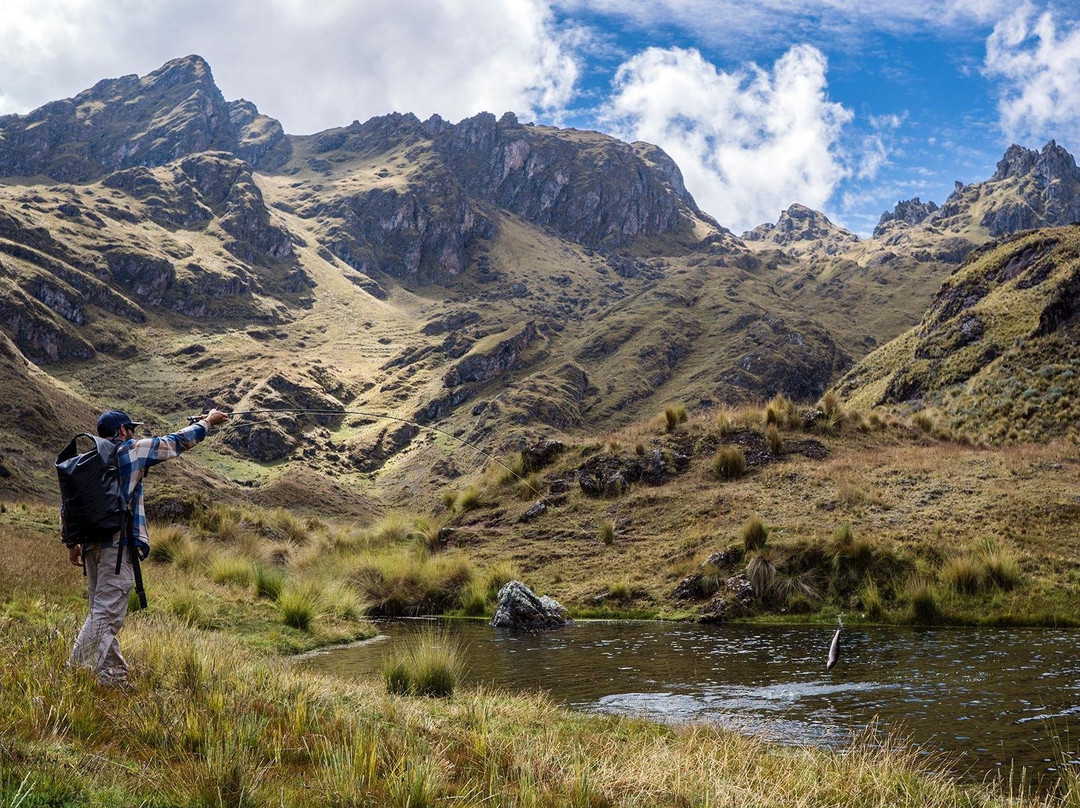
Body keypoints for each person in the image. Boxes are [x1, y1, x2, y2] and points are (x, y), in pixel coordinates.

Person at [64, 408, 229, 686]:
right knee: (107, 613)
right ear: (121, 431)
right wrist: (207, 422)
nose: (133, 434)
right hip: (117, 546)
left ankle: (113, 678)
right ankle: (76, 672)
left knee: (100, 610)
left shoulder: (86, 461)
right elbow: (174, 442)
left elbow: (67, 503)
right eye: (131, 429)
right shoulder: (129, 451)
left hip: (90, 544)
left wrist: (71, 543)